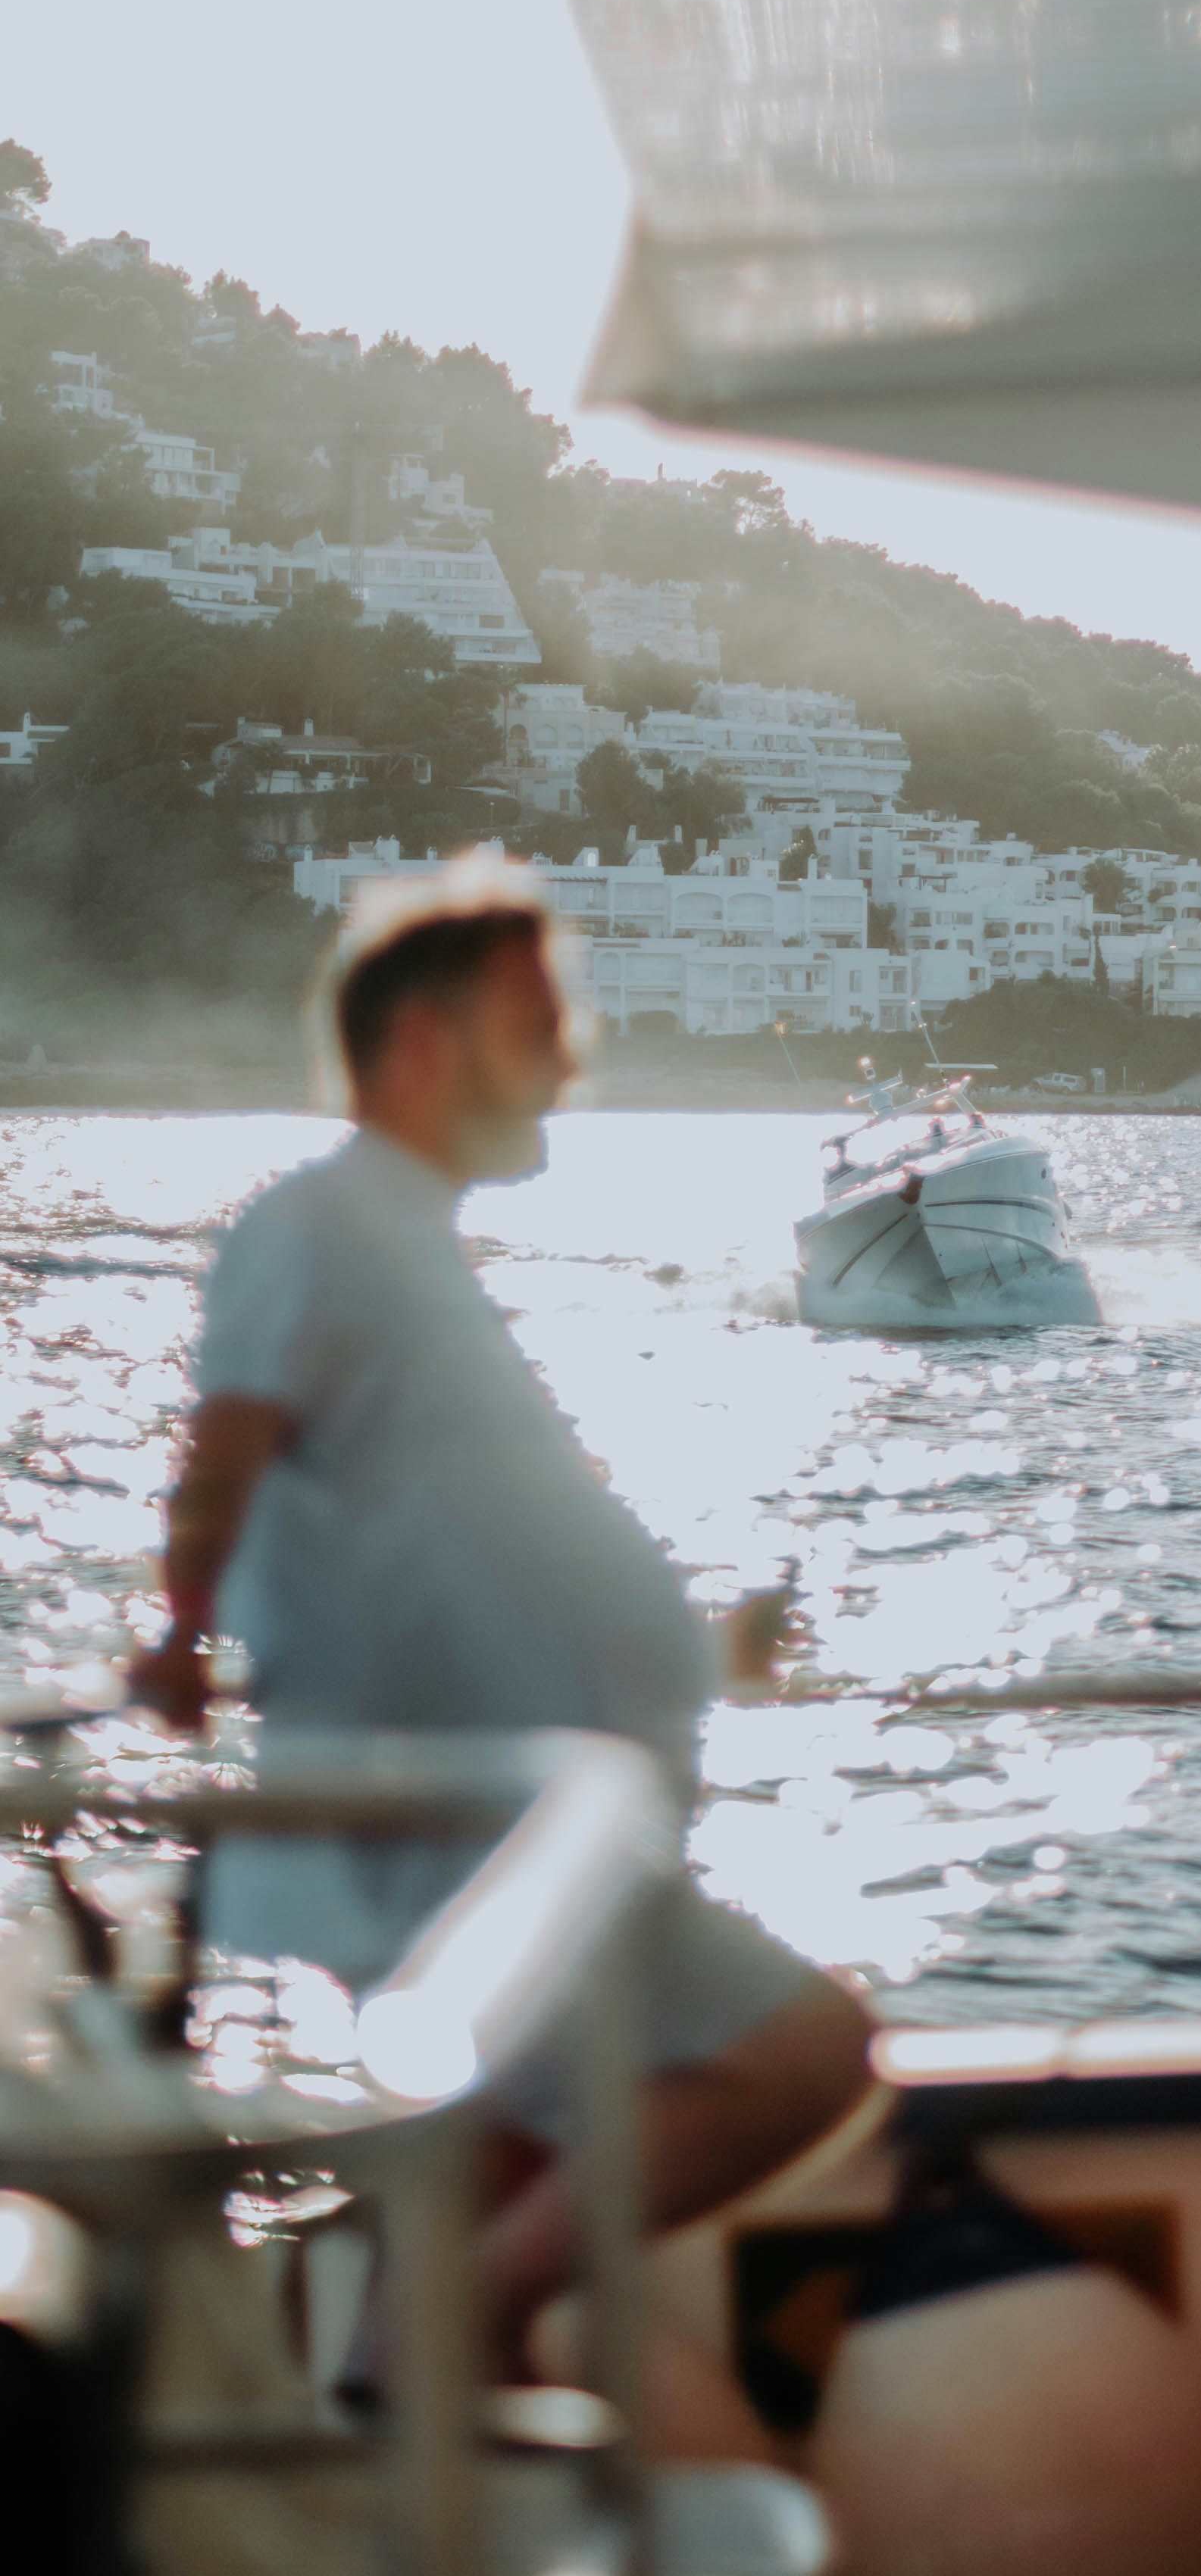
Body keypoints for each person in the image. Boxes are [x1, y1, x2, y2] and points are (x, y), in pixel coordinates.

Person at [138, 872, 872, 2421]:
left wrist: (689, 1647)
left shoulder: (409, 1248)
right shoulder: (322, 1220)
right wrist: (182, 1636)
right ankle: (442, 2334)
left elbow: (464, 1548)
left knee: (509, 2148)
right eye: (544, 1023)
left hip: (502, 1815)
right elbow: (226, 1441)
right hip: (454, 1833)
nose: (575, 1058)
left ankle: (393, 2386)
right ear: (424, 1040)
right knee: (807, 2052)